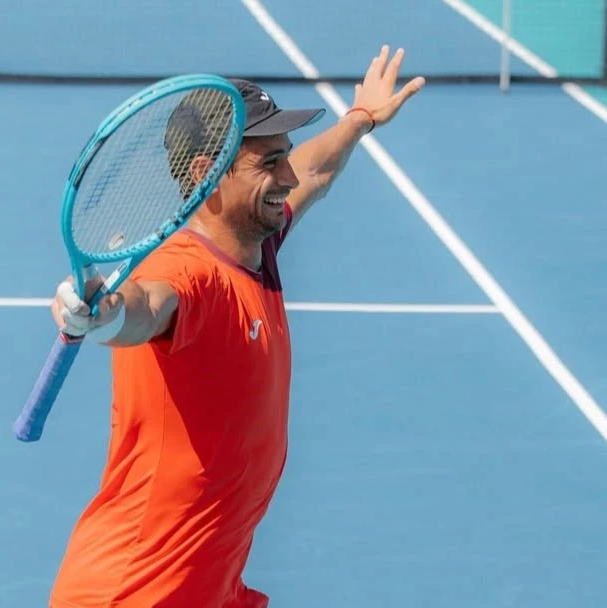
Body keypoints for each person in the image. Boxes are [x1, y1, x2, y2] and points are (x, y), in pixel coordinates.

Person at [46, 46, 427, 608]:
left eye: (285, 154)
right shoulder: (189, 273)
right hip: (135, 594)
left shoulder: (255, 243)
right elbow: (144, 307)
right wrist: (101, 314)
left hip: (210, 587)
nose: (287, 174)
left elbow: (317, 171)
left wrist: (359, 120)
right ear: (207, 175)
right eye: (268, 162)